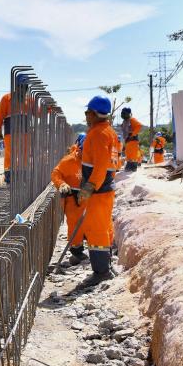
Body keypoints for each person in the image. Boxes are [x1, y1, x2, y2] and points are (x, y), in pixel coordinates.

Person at [77, 96, 120, 288]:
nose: (86, 116)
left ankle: (101, 272)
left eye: (87, 112)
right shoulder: (109, 132)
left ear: (94, 113)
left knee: (96, 230)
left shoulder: (99, 134)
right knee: (104, 228)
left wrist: (89, 187)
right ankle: (106, 266)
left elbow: (101, 165)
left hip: (99, 191)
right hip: (104, 189)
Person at [52, 134, 86, 266]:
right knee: (74, 223)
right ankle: (76, 250)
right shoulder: (69, 160)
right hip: (73, 198)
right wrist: (61, 184)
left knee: (89, 223)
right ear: (79, 148)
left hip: (88, 197)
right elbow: (56, 173)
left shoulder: (93, 160)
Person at [0, 73, 31, 183]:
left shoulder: (29, 100)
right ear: (16, 87)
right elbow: (0, 117)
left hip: (25, 133)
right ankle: (9, 177)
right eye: (21, 86)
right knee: (10, 154)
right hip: (11, 132)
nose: (24, 89)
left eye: (25, 87)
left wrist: (48, 108)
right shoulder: (6, 99)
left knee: (24, 154)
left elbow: (38, 112)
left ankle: (23, 176)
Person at [120, 107, 143, 172]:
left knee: (133, 153)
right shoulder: (125, 121)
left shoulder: (132, 119)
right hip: (127, 140)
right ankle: (129, 166)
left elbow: (139, 125)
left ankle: (133, 166)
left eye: (124, 113)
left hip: (133, 139)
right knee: (128, 153)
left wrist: (133, 134)